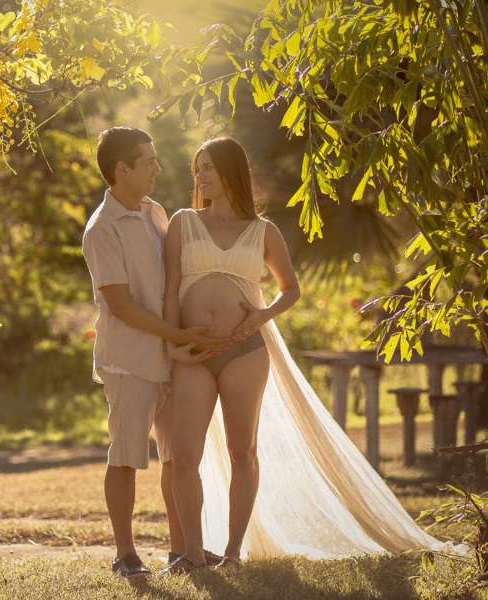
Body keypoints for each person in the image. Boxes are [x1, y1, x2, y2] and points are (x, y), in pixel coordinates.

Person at [160, 136, 440, 574]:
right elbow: (170, 288)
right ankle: (192, 554)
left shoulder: (263, 231)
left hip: (244, 352)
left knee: (242, 452)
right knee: (183, 454)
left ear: (231, 171)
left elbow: (290, 289)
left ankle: (232, 553)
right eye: (198, 168)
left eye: (209, 167)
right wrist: (174, 343)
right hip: (193, 354)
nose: (200, 175)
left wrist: (261, 316)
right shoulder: (183, 222)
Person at [81, 127, 230, 579]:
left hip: (172, 358)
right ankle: (125, 555)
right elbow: (120, 304)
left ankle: (183, 551)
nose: (158, 169)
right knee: (126, 457)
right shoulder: (101, 229)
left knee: (176, 458)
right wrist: (176, 334)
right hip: (130, 361)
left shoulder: (155, 211)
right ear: (122, 169)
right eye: (149, 162)